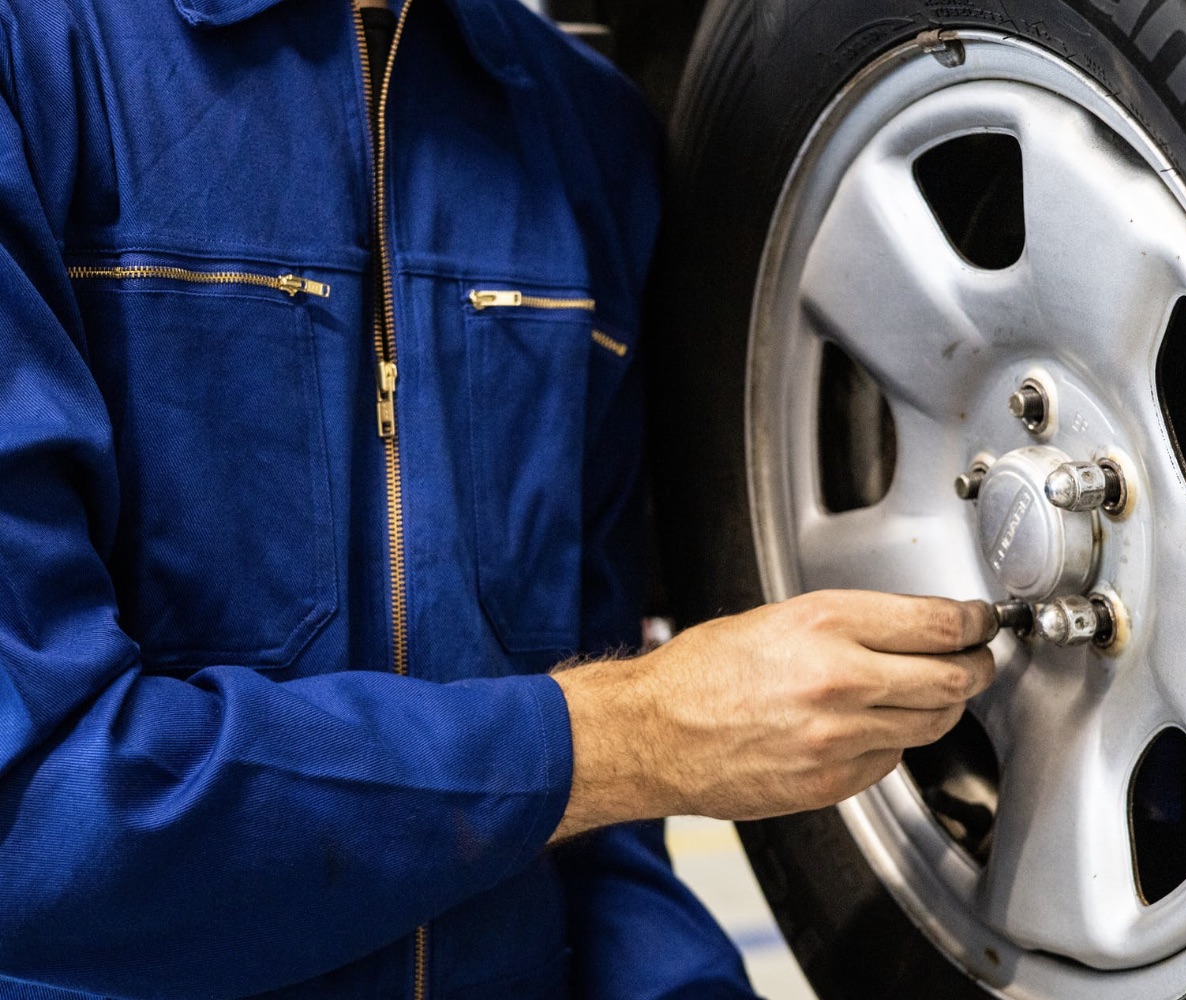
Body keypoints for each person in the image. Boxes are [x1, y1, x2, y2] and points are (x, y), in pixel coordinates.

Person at [0, 0, 997, 996]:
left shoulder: (586, 133)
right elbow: (36, 818)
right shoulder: (33, 60)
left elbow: (599, 845)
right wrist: (631, 737)